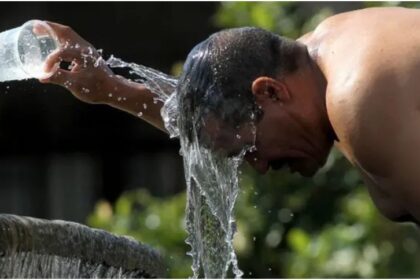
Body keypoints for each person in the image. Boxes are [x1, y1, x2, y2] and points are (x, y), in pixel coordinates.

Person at [40, 6, 420, 224]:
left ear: (270, 91)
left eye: (249, 149)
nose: (260, 166)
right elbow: (217, 115)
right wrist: (111, 88)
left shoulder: (359, 100)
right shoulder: (322, 55)